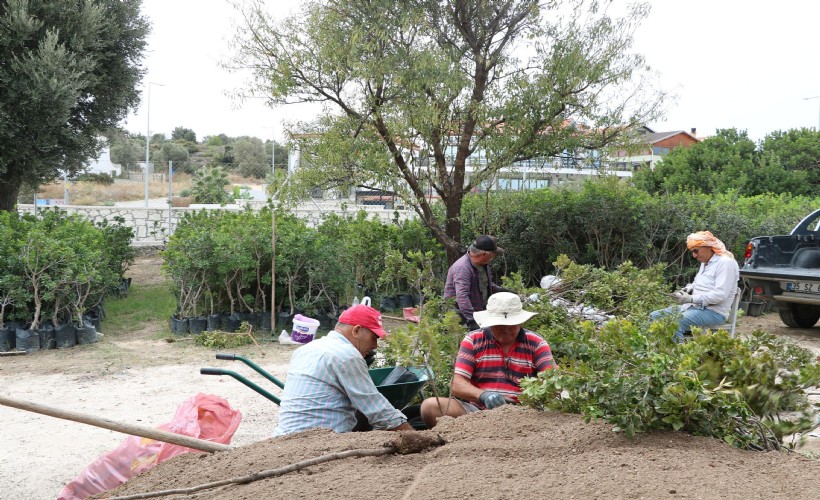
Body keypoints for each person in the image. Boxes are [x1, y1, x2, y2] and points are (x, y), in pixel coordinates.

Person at [419, 292, 556, 429]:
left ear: (520, 322)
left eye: (511, 324)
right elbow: (456, 384)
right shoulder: (473, 340)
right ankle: (459, 441)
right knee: (430, 407)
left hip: (526, 414)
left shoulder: (536, 343)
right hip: (478, 413)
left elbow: (554, 379)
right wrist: (484, 395)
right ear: (490, 322)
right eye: (500, 324)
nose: (506, 329)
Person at [273, 305, 414, 436]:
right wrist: (417, 438)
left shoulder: (305, 349)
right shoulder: (346, 355)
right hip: (316, 442)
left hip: (283, 437)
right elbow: (380, 412)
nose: (375, 345)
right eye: (373, 337)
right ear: (356, 331)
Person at [650, 230, 740, 342]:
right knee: (653, 316)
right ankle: (655, 351)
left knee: (674, 323)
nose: (694, 255)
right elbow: (698, 283)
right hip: (692, 307)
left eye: (696, 251)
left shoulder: (726, 263)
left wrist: (691, 298)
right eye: (693, 252)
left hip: (713, 312)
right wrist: (689, 289)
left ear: (708, 247)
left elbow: (720, 295)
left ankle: (678, 357)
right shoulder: (705, 263)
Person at [444, 235, 511, 330]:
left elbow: (487, 285)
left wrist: (503, 291)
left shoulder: (483, 264)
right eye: (493, 253)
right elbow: (462, 296)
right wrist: (472, 320)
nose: (494, 256)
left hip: (478, 312)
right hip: (461, 317)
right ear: (484, 254)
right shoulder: (462, 268)